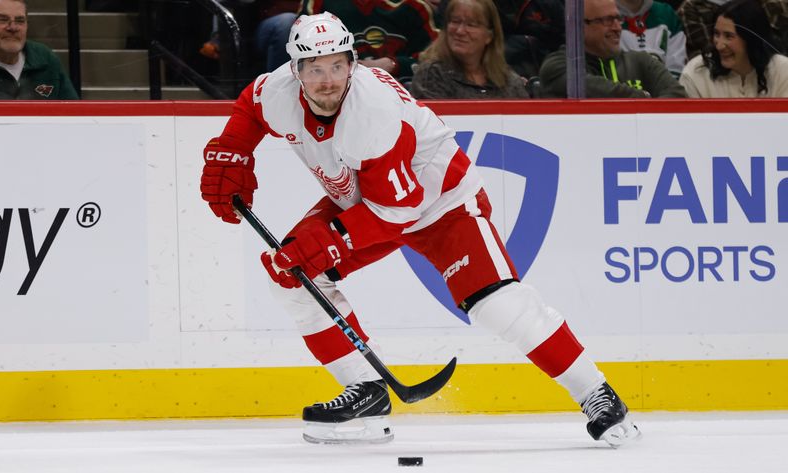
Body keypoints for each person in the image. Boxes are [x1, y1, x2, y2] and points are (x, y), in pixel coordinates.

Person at [200, 11, 641, 447]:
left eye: (337, 65)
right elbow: (250, 108)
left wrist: (333, 240)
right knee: (291, 276)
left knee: (497, 305)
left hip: (441, 203)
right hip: (364, 198)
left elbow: (399, 209)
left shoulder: (372, 113)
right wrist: (233, 152)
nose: (328, 79)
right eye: (315, 69)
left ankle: (597, 394)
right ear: (295, 70)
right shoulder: (276, 91)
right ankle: (366, 390)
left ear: (353, 63)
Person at [538, 0, 687, 97]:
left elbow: (677, 95)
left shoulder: (642, 62)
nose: (617, 27)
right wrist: (643, 97)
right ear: (579, 26)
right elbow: (587, 88)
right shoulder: (558, 66)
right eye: (608, 20)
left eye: (618, 18)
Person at [0, 0, 78, 99]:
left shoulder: (46, 59)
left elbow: (75, 114)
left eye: (20, 20)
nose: (13, 27)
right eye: (2, 20)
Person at [411, 0, 528, 99]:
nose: (460, 31)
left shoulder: (509, 81)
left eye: (471, 25)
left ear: (489, 36)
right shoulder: (431, 75)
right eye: (455, 22)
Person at [299, 0, 439, 81]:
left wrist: (392, 64)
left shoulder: (414, 6)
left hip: (403, 94)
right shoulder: (320, 4)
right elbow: (303, 54)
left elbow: (436, 62)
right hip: (337, 89)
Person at [679, 0, 788, 97]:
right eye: (716, 34)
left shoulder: (782, 70)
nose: (719, 46)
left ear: (751, 40)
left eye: (729, 36)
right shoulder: (695, 73)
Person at [617, 0, 687, 77]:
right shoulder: (604, 16)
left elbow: (677, 69)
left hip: (665, 86)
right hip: (620, 87)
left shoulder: (667, 14)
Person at [498, 0, 565, 80]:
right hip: (509, 62)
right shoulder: (492, 5)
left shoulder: (548, 4)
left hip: (549, 63)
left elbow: (564, 36)